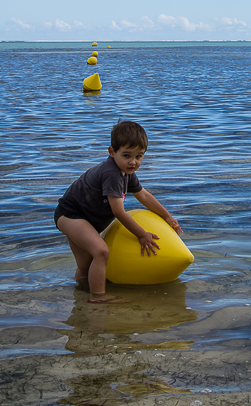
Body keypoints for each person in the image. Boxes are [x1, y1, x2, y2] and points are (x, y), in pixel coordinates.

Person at [54, 120, 182, 304]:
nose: (133, 162)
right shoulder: (112, 173)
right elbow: (119, 212)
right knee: (101, 251)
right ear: (112, 152)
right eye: (127, 155)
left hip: (82, 217)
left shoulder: (126, 172)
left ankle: (81, 294)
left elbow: (144, 196)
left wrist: (167, 216)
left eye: (139, 156)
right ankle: (98, 298)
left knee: (85, 264)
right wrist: (141, 234)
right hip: (71, 215)